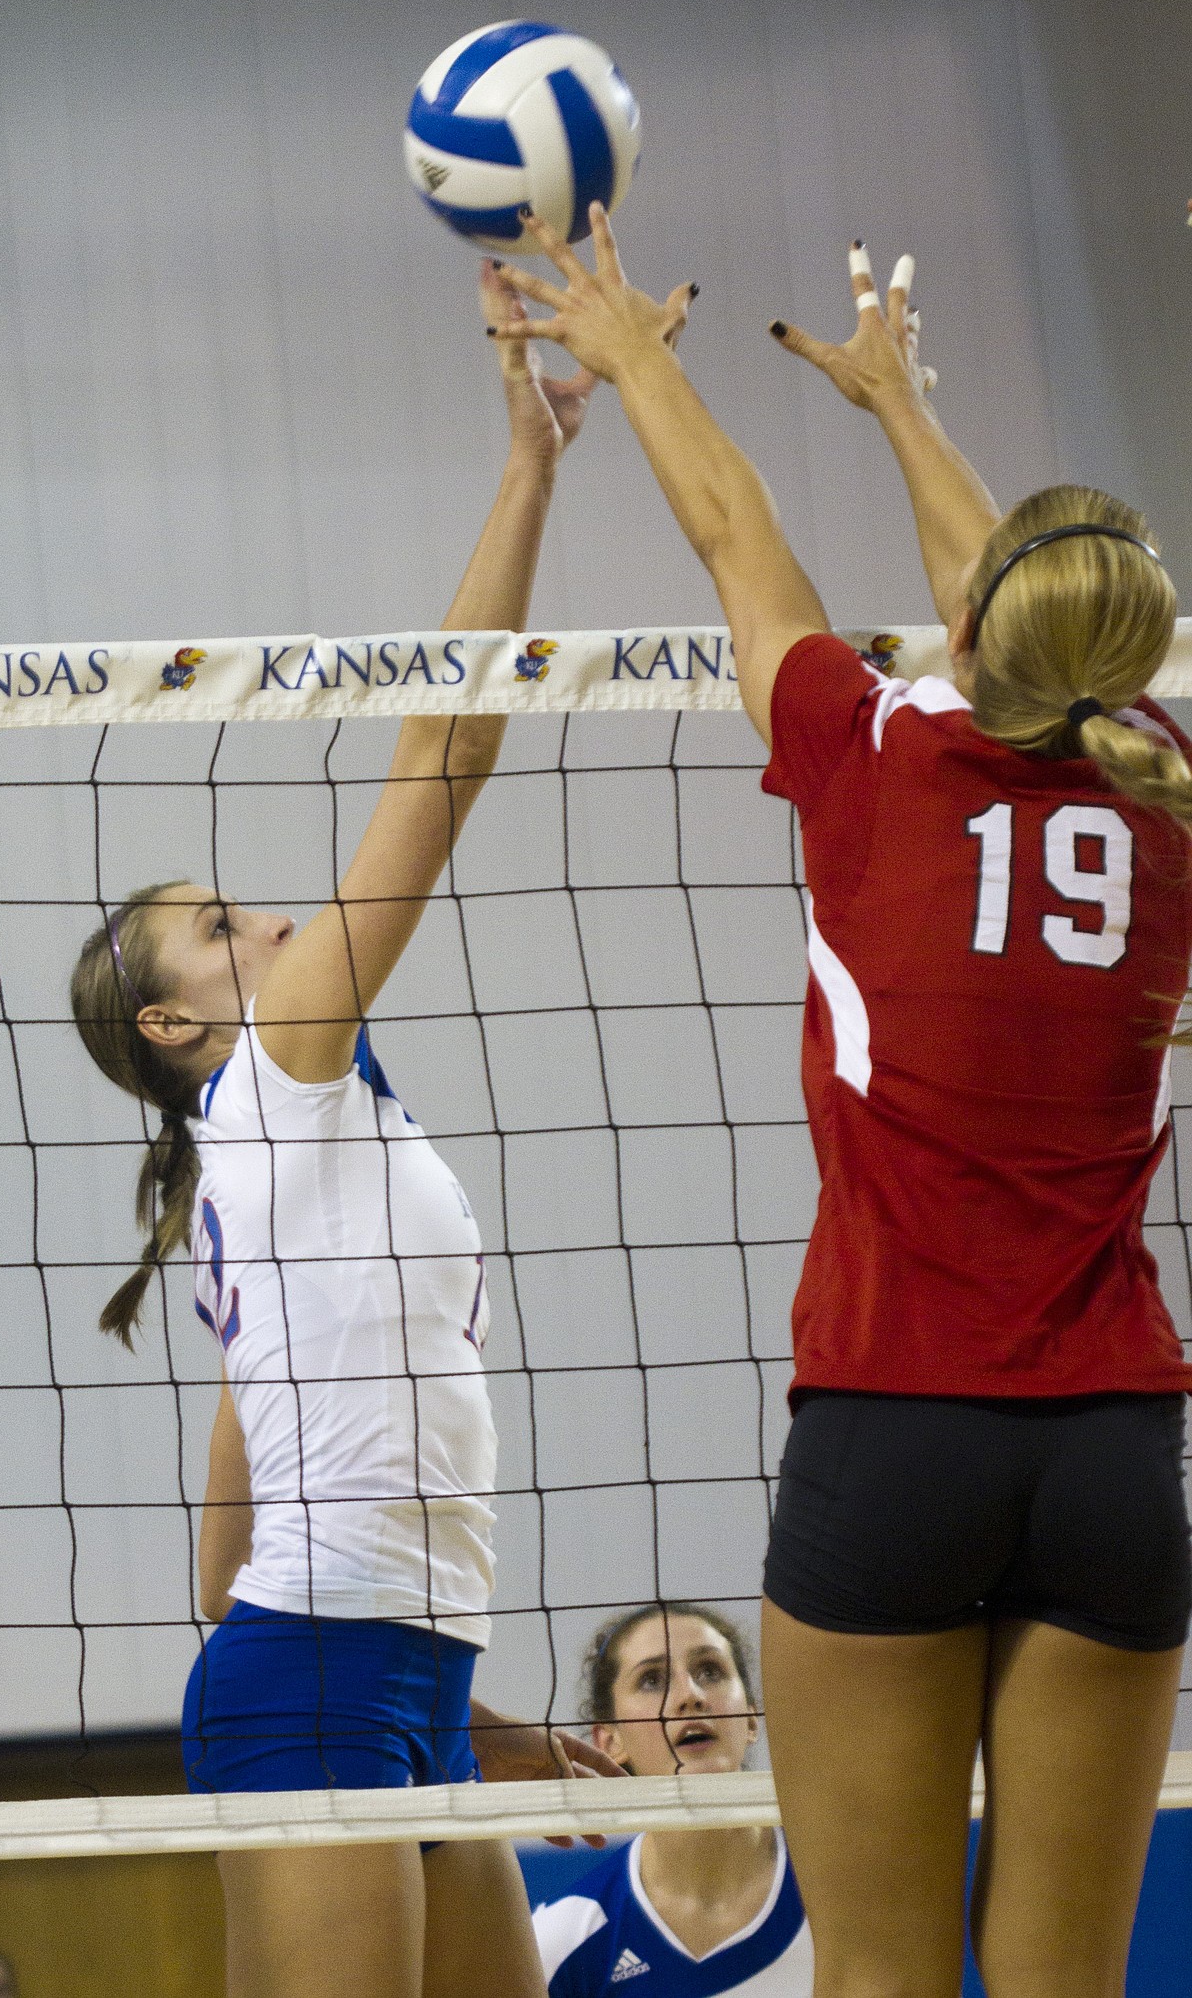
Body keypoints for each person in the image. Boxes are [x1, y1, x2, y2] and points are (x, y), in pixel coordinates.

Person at [494, 207, 1192, 1998]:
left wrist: (635, 349)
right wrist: (902, 410)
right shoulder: (1173, 799)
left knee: (880, 1979)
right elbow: (1042, 640)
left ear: (977, 625)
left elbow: (741, 536)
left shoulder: (875, 759)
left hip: (897, 1428)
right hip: (1117, 1449)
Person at [69, 261, 619, 1998]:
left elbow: (224, 1556)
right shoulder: (275, 1066)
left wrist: (474, 1703)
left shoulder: (296, 1150)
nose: (272, 928)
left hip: (405, 1672)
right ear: (176, 1022)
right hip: (321, 1681)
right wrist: (527, 470)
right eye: (222, 927)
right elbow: (443, 750)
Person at [532, 1604, 813, 1995]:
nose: (690, 1696)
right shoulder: (563, 1939)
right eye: (651, 1680)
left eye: (710, 1672)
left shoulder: (843, 1891)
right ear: (610, 1741)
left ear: (751, 1717)